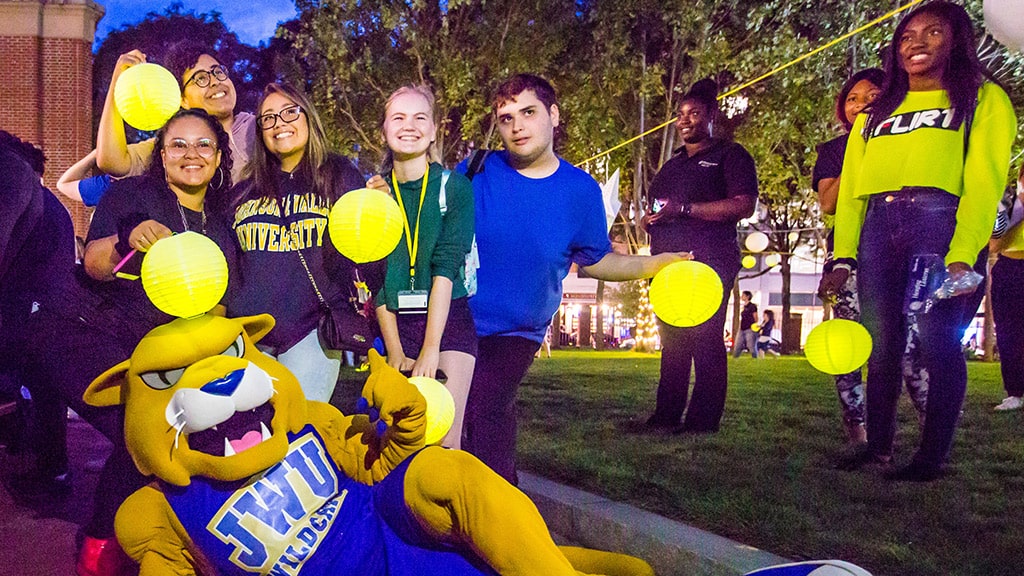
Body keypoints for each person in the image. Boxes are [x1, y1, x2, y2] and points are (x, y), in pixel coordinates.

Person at [458, 74, 689, 484]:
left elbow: (598, 260)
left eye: (528, 112)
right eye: (506, 117)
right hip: (454, 322)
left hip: (516, 331)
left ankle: (502, 517)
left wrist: (656, 264)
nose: (517, 126)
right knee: (444, 417)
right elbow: (431, 217)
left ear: (554, 115)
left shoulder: (579, 190)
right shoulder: (476, 169)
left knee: (486, 408)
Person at [820, 1, 1016, 481]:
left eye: (932, 33)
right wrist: (843, 254)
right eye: (907, 36)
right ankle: (878, 448)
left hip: (940, 220)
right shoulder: (877, 111)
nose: (917, 44)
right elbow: (851, 193)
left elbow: (985, 181)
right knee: (880, 342)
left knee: (936, 340)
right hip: (879, 225)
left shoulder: (982, 99)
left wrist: (964, 252)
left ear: (957, 40)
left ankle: (930, 458)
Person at [227, 83, 367, 403]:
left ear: (308, 117)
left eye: (290, 112)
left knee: (301, 432)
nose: (280, 124)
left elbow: (363, 253)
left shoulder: (338, 175)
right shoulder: (244, 192)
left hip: (311, 333)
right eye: (269, 118)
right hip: (249, 336)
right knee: (255, 440)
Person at [641, 77, 759, 434]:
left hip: (709, 259)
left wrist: (685, 209)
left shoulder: (730, 155)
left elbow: (743, 205)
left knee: (706, 338)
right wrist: (650, 220)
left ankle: (702, 421)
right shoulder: (672, 163)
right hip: (666, 261)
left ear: (712, 116)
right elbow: (660, 206)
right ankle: (665, 416)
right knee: (672, 340)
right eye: (680, 114)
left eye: (694, 113)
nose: (685, 120)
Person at [371, 85, 477, 449]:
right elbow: (377, 279)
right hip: (395, 323)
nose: (409, 126)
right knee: (399, 442)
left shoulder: (455, 189)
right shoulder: (373, 196)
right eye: (398, 118)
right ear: (384, 130)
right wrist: (396, 351)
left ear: (433, 131)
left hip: (448, 321)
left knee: (444, 438)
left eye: (420, 118)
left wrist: (431, 347)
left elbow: (446, 267)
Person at [96, 41, 256, 183]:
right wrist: (118, 79)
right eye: (200, 78)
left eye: (218, 72)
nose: (214, 81)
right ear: (182, 100)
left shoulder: (258, 128)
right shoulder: (175, 145)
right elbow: (111, 161)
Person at [991, 163, 1024, 411]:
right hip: (1009, 268)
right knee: (1007, 333)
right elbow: (994, 241)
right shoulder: (1008, 201)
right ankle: (1014, 392)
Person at [733, 290, 758, 358]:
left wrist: (754, 327)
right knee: (738, 345)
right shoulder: (744, 307)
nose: (741, 296)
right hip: (742, 328)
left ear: (748, 296)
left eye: (743, 295)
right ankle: (735, 358)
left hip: (749, 328)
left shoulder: (752, 306)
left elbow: (755, 317)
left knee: (751, 345)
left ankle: (755, 358)